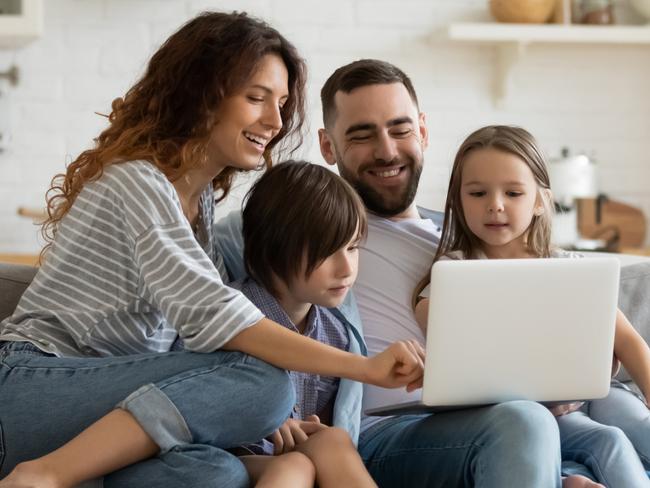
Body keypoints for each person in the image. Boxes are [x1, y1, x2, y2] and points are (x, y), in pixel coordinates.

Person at [0, 16, 424, 488]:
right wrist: (364, 367)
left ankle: (81, 473)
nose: (276, 122)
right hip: (32, 386)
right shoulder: (136, 182)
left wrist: (259, 418)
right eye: (256, 98)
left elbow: (208, 326)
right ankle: (42, 475)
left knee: (217, 474)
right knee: (265, 382)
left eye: (282, 104)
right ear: (200, 94)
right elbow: (218, 318)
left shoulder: (200, 205)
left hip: (106, 412)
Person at [215, 58, 597, 487]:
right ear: (327, 147)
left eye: (400, 130)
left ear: (423, 131)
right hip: (376, 437)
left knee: (549, 424)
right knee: (523, 422)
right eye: (362, 135)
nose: (387, 151)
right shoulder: (308, 224)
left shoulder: (474, 238)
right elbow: (215, 302)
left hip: (479, 424)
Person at [411, 124, 650, 488]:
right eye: (477, 193)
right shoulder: (453, 276)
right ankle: (569, 477)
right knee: (608, 439)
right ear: (458, 200)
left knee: (628, 420)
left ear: (540, 201)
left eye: (513, 192)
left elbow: (629, 342)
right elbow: (451, 356)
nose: (495, 204)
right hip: (519, 414)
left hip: (590, 395)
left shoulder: (570, 269)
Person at [228, 160, 378, 487]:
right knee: (295, 466)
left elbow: (320, 423)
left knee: (333, 440)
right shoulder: (230, 312)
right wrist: (262, 416)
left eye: (352, 248)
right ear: (273, 250)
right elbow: (189, 391)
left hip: (292, 457)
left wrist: (310, 428)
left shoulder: (336, 334)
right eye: (327, 253)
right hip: (229, 455)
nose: (346, 268)